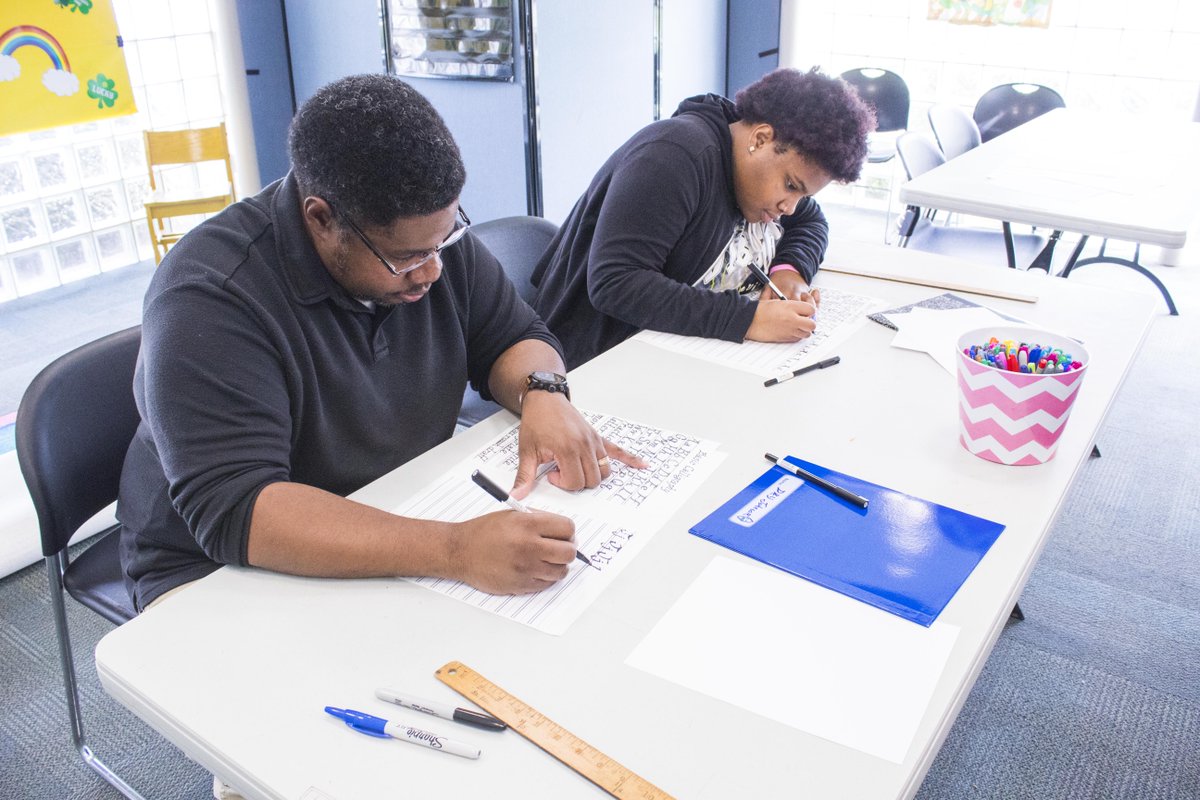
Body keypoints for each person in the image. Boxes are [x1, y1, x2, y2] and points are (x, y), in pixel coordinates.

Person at [117, 74, 643, 613]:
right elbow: (241, 510)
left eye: (446, 239)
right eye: (407, 258)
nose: (433, 270)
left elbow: (514, 334)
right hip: (219, 563)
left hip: (395, 499)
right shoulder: (208, 298)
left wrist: (544, 394)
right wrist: (455, 549)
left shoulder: (423, 239)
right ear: (320, 218)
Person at [530, 67, 876, 369]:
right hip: (589, 362)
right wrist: (748, 319)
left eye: (804, 195)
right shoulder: (676, 156)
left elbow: (810, 222)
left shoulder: (762, 188)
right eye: (791, 186)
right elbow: (615, 283)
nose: (790, 207)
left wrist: (790, 272)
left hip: (673, 355)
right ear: (761, 139)